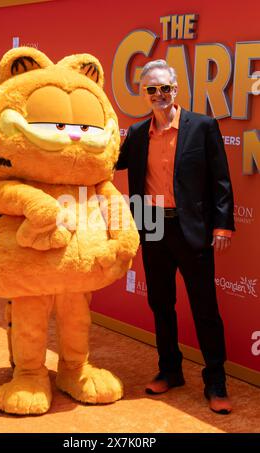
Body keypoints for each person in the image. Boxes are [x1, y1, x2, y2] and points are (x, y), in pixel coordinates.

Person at [116, 60, 235, 415]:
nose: (159, 95)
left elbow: (221, 180)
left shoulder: (203, 126)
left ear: (176, 88)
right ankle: (170, 370)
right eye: (151, 89)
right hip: (152, 225)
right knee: (161, 303)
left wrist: (223, 224)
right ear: (144, 92)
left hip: (192, 229)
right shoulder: (137, 134)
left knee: (205, 308)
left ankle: (216, 381)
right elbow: (114, 162)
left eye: (164, 88)